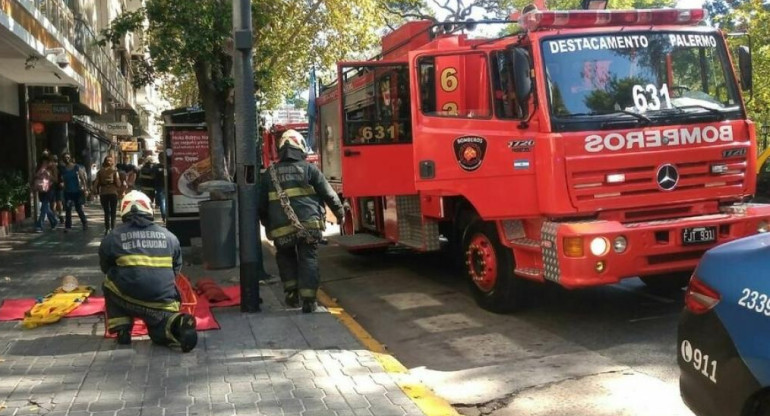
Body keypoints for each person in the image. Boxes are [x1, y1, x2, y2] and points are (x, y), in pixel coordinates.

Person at [98, 190, 197, 352]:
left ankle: (122, 329)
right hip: (163, 300)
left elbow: (106, 268)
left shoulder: (112, 237)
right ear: (149, 210)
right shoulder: (170, 236)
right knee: (159, 330)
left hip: (128, 298)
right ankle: (176, 324)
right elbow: (176, 269)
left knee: (109, 283)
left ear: (124, 211)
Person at [258, 129, 344, 313]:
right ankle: (309, 300)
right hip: (309, 226)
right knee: (308, 259)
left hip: (281, 230)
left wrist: (268, 224)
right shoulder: (309, 169)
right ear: (301, 146)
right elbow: (329, 195)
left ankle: (291, 293)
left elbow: (260, 205)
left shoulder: (269, 174)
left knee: (285, 257)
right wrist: (340, 214)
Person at [92, 155, 121, 235]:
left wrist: (94, 190)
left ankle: (107, 228)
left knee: (107, 212)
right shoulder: (115, 171)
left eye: (110, 160)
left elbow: (96, 182)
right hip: (112, 192)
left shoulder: (100, 171)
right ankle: (113, 228)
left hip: (104, 193)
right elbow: (118, 183)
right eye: (108, 160)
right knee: (113, 212)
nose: (109, 162)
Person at [60, 152, 88, 231]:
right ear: (63, 159)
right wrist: (62, 184)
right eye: (65, 158)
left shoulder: (76, 167)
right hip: (67, 192)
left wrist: (85, 188)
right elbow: (62, 179)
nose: (67, 159)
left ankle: (84, 223)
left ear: (71, 158)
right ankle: (68, 226)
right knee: (68, 209)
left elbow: (82, 178)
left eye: (68, 157)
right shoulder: (63, 169)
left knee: (78, 208)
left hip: (76, 191)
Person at [33, 156, 58, 232]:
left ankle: (39, 225)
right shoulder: (40, 168)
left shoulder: (53, 168)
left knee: (43, 207)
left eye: (47, 162)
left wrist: (49, 175)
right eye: (44, 162)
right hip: (41, 189)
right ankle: (54, 221)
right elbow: (35, 177)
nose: (45, 163)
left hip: (50, 190)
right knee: (45, 207)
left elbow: (56, 180)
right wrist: (40, 171)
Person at [153, 153, 168, 224]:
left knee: (163, 201)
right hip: (167, 186)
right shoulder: (168, 166)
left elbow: (153, 175)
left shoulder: (155, 167)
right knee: (164, 201)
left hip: (159, 186)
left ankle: (164, 217)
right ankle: (165, 216)